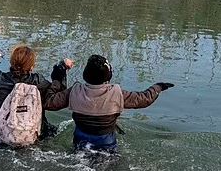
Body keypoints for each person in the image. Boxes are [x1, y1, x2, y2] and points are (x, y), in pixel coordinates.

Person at [44, 54, 174, 153]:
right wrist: (158, 87)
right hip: (107, 144)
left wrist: (59, 75)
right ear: (108, 76)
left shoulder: (74, 91)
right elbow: (144, 99)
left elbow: (49, 102)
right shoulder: (117, 93)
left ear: (85, 75)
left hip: (80, 141)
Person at [0, 45, 73, 142]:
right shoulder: (39, 82)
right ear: (32, 66)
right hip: (33, 136)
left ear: (11, 62)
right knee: (51, 131)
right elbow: (58, 97)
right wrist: (61, 68)